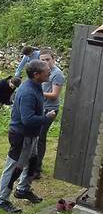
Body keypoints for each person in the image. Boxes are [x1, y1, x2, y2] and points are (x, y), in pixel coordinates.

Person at [0, 59, 56, 214]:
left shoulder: (36, 86)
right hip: (21, 136)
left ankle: (23, 189)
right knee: (14, 168)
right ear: (36, 75)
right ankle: (1, 200)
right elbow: (27, 119)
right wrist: (46, 117)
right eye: (46, 70)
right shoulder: (28, 92)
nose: (50, 71)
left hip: (31, 135)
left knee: (33, 162)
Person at [35, 49, 65, 178]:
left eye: (48, 59)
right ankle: (32, 164)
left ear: (53, 58)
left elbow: (54, 95)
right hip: (40, 107)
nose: (45, 62)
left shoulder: (57, 74)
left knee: (40, 137)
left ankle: (37, 168)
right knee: (35, 136)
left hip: (50, 108)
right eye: (42, 60)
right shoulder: (41, 71)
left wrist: (35, 92)